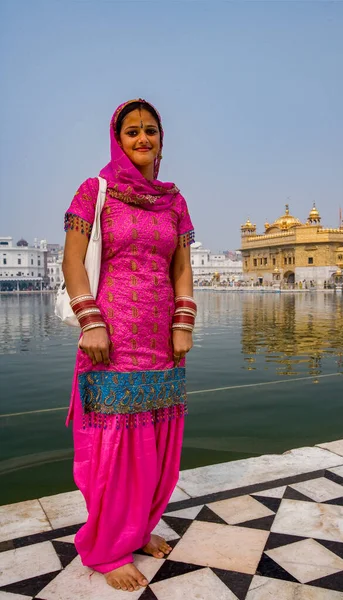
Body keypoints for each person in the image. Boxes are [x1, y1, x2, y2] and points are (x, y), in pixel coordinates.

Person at [62, 99, 196, 592]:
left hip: (161, 339)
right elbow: (73, 262)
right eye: (133, 132)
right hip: (111, 339)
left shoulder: (174, 201)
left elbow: (180, 268)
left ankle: (137, 530)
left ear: (162, 139)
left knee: (157, 444)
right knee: (115, 447)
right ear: (117, 140)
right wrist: (90, 322)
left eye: (151, 131)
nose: (143, 139)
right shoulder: (93, 191)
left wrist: (183, 324)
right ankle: (106, 546)